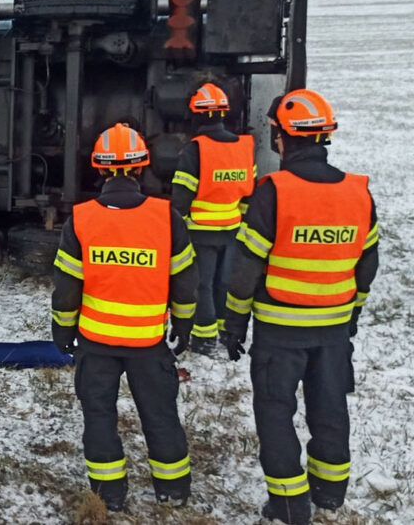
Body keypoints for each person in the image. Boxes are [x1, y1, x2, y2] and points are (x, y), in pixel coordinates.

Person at [220, 88, 379, 525]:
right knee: (330, 408)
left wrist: (233, 323)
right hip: (332, 330)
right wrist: (353, 313)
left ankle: (289, 505)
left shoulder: (273, 192)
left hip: (278, 331)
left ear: (281, 137)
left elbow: (245, 270)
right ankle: (329, 494)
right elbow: (368, 264)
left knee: (275, 413)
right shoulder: (358, 192)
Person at [51, 122, 198, 511]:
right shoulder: (167, 219)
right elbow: (185, 283)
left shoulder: (81, 220)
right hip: (149, 344)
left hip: (95, 345)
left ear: (99, 169)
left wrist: (62, 333)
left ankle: (109, 497)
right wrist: (183, 327)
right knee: (161, 415)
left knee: (99, 418)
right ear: (141, 167)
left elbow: (67, 290)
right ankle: (174, 492)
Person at [170, 82, 256, 355]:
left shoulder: (196, 149)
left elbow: (182, 195)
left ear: (196, 115)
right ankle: (221, 330)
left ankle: (204, 339)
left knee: (201, 284)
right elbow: (249, 191)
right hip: (231, 228)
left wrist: (175, 224)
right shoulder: (244, 147)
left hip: (200, 230)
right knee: (222, 282)